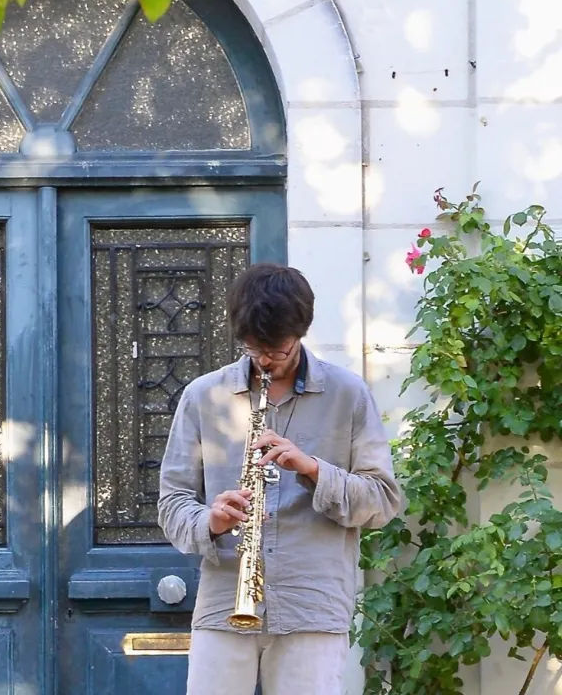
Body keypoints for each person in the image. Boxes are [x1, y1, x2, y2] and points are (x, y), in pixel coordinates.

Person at [158, 263, 402, 695]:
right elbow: (172, 502)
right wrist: (211, 521)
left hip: (312, 607)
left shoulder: (348, 395)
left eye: (278, 350)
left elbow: (382, 502)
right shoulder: (202, 396)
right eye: (254, 349)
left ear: (301, 332)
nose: (265, 361)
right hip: (223, 604)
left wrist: (313, 470)